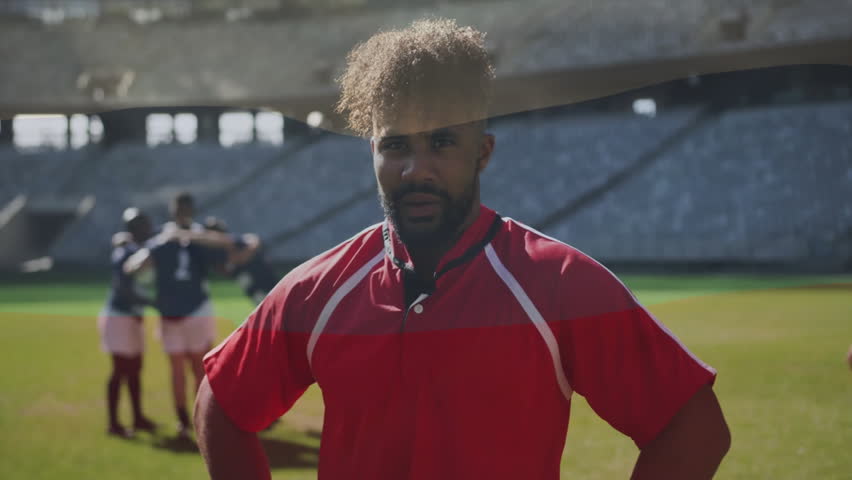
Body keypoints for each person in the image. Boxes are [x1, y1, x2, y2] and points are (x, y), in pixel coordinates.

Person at [195, 18, 730, 480]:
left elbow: (694, 428)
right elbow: (221, 405)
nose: (416, 169)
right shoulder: (318, 290)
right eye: (396, 144)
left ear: (483, 153)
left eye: (443, 142)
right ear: (373, 153)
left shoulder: (559, 283)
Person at [125, 193, 234, 438]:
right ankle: (184, 418)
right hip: (173, 311)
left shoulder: (195, 236)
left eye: (185, 208)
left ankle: (200, 417)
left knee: (199, 368)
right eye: (179, 209)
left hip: (194, 308)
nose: (182, 213)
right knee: (178, 368)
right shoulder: (165, 237)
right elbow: (137, 264)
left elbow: (225, 250)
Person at [97, 208, 157, 437]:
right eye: (142, 226)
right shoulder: (125, 253)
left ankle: (138, 417)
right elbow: (123, 288)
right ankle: (113, 424)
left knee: (135, 369)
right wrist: (153, 303)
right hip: (120, 316)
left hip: (133, 316)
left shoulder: (140, 249)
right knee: (120, 370)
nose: (147, 230)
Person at [203, 216, 279, 305]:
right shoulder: (212, 252)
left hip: (261, 273)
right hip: (245, 278)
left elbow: (254, 241)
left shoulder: (233, 240)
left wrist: (241, 255)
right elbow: (224, 269)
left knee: (275, 298)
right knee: (261, 302)